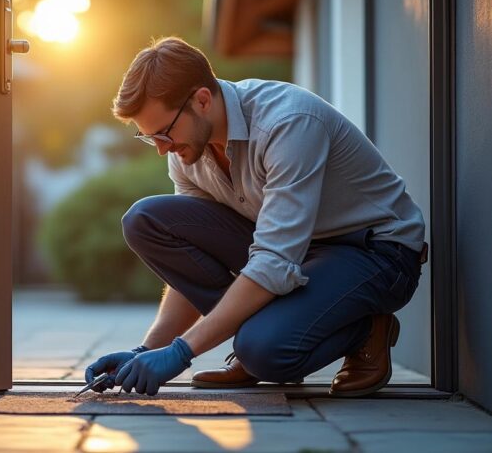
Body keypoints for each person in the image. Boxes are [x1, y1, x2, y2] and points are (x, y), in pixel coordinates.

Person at [84, 37, 427, 397]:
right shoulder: (187, 148)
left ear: (201, 100)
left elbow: (274, 260)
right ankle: (269, 329)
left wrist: (181, 352)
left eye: (164, 133)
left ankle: (366, 329)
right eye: (149, 136)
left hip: (377, 253)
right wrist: (149, 350)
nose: (160, 149)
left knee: (263, 352)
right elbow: (193, 256)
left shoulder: (288, 123)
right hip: (299, 253)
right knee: (146, 220)